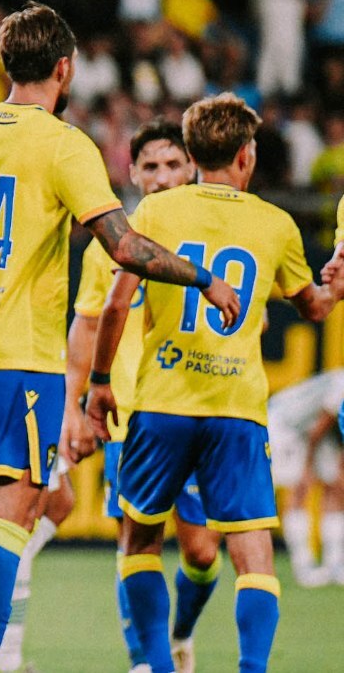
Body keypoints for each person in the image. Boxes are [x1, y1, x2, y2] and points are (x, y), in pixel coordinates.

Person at [0, 3, 240, 672]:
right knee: (10, 514)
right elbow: (123, 245)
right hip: (22, 357)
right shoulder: (63, 145)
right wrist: (202, 275)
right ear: (66, 68)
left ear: (5, 65)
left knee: (31, 505)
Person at [86, 92, 344, 673]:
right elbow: (317, 308)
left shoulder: (157, 213)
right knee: (253, 556)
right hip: (237, 408)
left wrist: (101, 380)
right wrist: (338, 282)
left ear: (193, 154)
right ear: (247, 156)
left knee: (141, 541)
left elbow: (115, 305)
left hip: (160, 403)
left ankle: (154, 661)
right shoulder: (276, 224)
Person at [66, 119, 221, 673]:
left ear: (193, 169)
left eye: (172, 165)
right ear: (131, 173)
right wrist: (77, 404)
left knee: (203, 555)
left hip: (200, 411)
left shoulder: (216, 240)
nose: (161, 177)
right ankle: (148, 663)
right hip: (130, 417)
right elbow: (86, 327)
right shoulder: (111, 245)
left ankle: (179, 634)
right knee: (136, 543)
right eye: (150, 167)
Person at [267, 369, 344, 587]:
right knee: (299, 487)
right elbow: (318, 429)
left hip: (315, 428)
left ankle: (335, 563)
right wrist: (307, 467)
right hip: (287, 424)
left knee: (337, 487)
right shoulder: (342, 385)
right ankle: (303, 564)